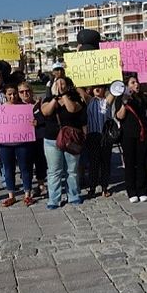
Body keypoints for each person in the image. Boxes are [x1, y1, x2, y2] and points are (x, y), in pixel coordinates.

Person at [41, 77, 86, 209]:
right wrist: (55, 98)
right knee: (54, 171)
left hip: (70, 140)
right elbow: (46, 111)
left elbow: (72, 109)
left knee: (72, 170)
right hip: (51, 140)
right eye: (57, 83)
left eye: (63, 83)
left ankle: (73, 195)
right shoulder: (48, 100)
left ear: (68, 86)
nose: (60, 85)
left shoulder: (75, 99)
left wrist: (64, 95)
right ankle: (54, 199)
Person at [116, 75, 147, 203]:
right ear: (127, 85)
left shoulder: (145, 99)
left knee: (142, 162)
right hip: (128, 136)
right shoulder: (121, 98)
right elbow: (119, 116)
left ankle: (142, 190)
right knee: (130, 163)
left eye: (137, 82)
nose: (136, 85)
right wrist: (124, 102)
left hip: (143, 134)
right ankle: (131, 191)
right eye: (133, 82)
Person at [0, 84, 36, 207]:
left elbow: (35, 121)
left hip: (22, 143)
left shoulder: (25, 108)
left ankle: (27, 194)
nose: (12, 96)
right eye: (10, 94)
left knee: (26, 168)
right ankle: (11, 195)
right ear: (5, 95)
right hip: (5, 144)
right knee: (8, 169)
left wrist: (34, 123)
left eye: (14, 94)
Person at [84, 84, 116, 198]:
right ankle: (92, 187)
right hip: (93, 135)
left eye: (100, 87)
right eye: (95, 87)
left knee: (105, 162)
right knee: (94, 163)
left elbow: (115, 90)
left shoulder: (106, 101)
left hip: (105, 136)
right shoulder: (89, 100)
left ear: (104, 89)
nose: (97, 89)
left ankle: (104, 187)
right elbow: (78, 88)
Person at [18, 81, 47, 197]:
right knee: (26, 164)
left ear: (31, 91)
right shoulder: (16, 106)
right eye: (22, 92)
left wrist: (38, 122)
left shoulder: (39, 104)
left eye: (27, 90)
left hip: (38, 138)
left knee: (40, 161)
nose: (25, 93)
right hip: (24, 140)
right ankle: (27, 187)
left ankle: (41, 184)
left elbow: (47, 118)